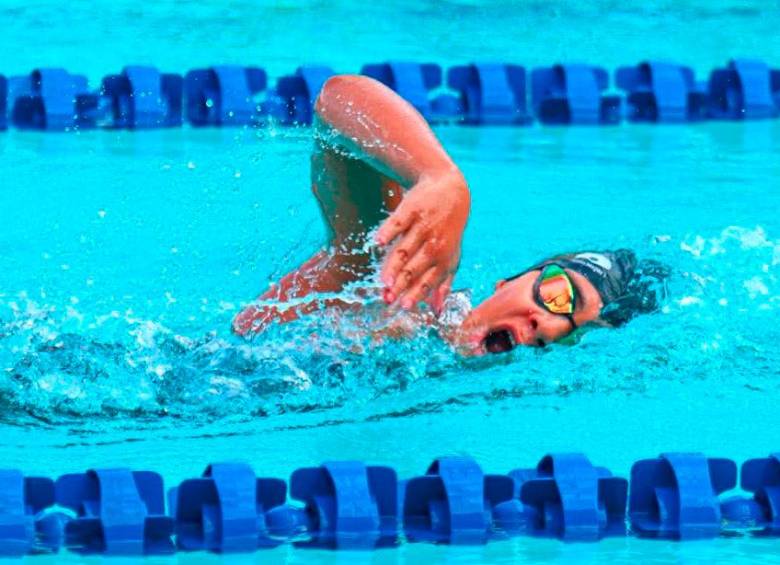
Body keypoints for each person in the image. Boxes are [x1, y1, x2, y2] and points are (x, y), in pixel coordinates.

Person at [232, 75, 667, 355]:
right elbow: (337, 101)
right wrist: (439, 178)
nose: (549, 325)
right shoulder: (387, 279)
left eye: (575, 334)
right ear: (511, 281)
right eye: (558, 296)